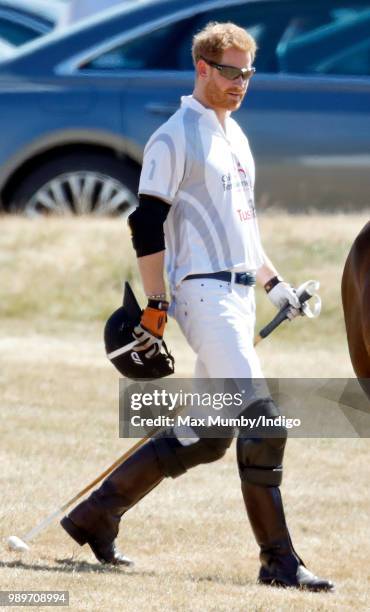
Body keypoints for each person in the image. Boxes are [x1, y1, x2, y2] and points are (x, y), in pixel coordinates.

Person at [61, 22, 334, 591]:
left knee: (209, 434)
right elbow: (145, 222)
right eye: (231, 72)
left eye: (248, 73)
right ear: (203, 69)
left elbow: (244, 228)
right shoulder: (174, 135)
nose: (241, 83)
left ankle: (96, 515)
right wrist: (156, 304)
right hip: (201, 294)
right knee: (263, 419)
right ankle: (277, 561)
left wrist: (274, 284)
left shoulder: (234, 135)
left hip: (236, 290)